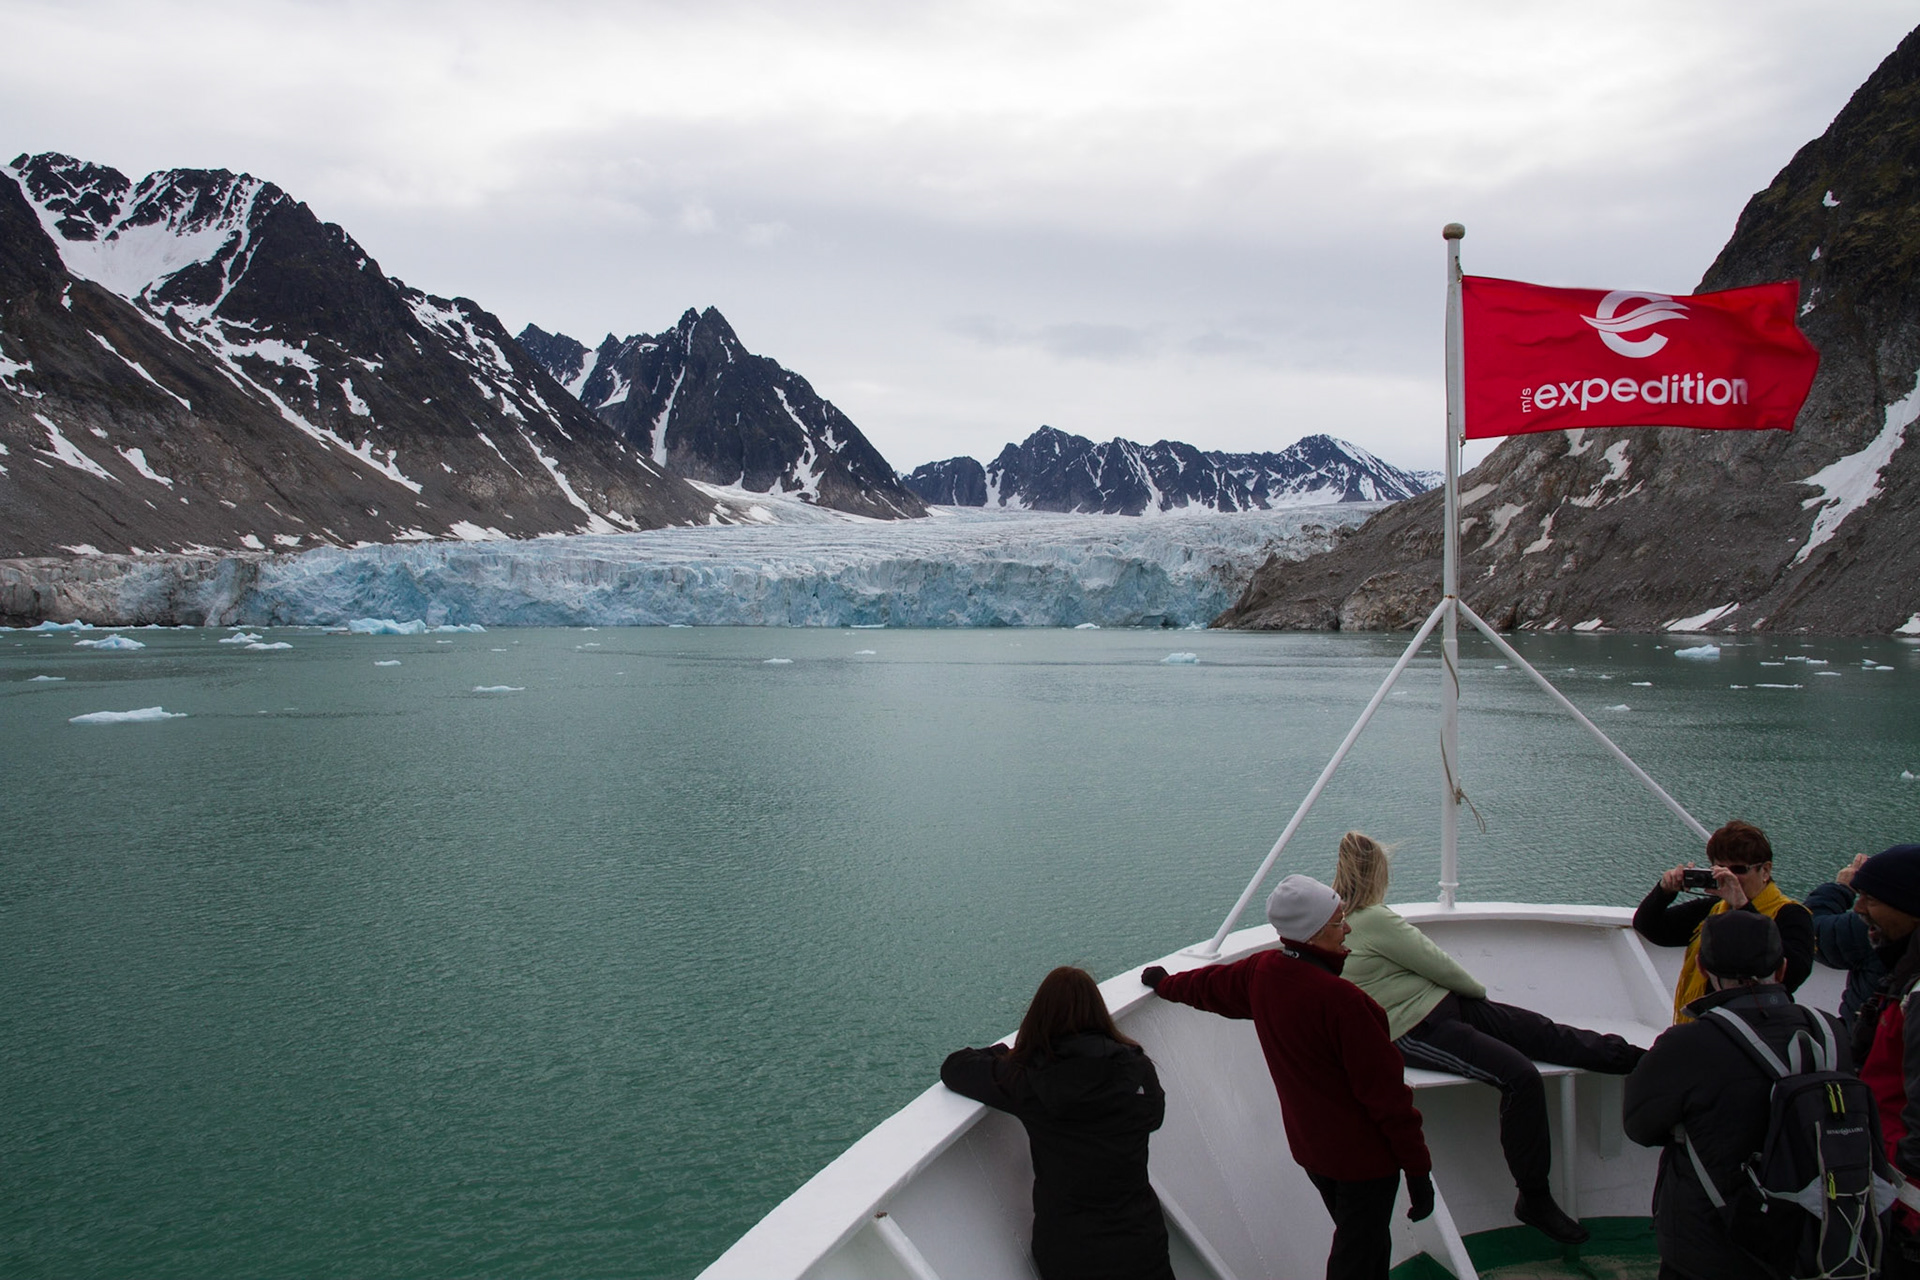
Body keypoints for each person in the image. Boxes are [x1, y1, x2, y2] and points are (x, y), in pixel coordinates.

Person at [1332, 831, 1641, 1246]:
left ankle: (1641, 1058)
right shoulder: (1374, 919)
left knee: (1543, 1033)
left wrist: (1471, 1006)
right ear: (1377, 874)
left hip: (1444, 1007)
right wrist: (1478, 998)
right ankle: (1533, 1197)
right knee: (1521, 1075)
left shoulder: (1341, 922)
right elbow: (1437, 963)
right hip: (1416, 1029)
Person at [1141, 874, 1433, 1280]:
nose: (1347, 927)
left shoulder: (1263, 973)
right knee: (1361, 1255)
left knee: (1357, 1242)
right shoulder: (1346, 1005)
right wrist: (1418, 1172)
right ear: (1312, 934)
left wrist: (1166, 984)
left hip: (1314, 1155)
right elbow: (1389, 1101)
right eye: (1338, 922)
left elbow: (1209, 988)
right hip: (1364, 1161)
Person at [1624, 911, 1854, 1280]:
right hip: (1813, 1232)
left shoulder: (1687, 1044)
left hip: (1710, 1240)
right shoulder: (1830, 1031)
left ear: (1701, 968)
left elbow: (1639, 1127)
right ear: (1780, 970)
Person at [940, 966, 1173, 1280]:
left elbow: (955, 1068)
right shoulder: (1137, 1067)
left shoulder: (1032, 1080)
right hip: (1142, 1244)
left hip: (1070, 1252)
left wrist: (1005, 1054)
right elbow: (1153, 1117)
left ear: (1040, 1018)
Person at [1633, 819, 1815, 1022]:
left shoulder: (1791, 914)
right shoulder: (1714, 910)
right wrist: (1665, 891)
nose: (1730, 877)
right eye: (1720, 869)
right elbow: (1650, 927)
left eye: (1738, 870)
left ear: (1765, 871)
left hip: (1759, 1022)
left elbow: (1795, 974)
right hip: (1707, 1023)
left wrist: (1743, 906)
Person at [1849, 845, 1920, 1277]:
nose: (1859, 909)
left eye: (1872, 899)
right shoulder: (1904, 976)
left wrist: (1903, 1209)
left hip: (1906, 1204)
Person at [1808, 851, 1891, 1031]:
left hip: (1861, 1049)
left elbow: (1810, 932)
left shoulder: (1879, 927)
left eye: (1869, 899)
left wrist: (1843, 888)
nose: (1859, 908)